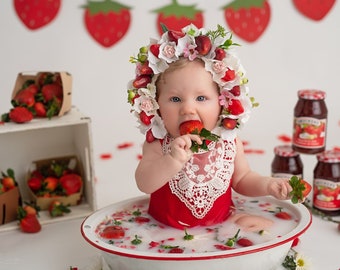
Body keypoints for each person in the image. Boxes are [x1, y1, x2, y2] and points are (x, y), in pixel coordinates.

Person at [127, 24, 292, 231]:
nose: (188, 109)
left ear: (222, 103)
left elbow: (242, 179)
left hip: (221, 225)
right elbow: (145, 183)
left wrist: (267, 185)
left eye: (201, 98)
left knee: (264, 228)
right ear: (156, 104)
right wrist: (172, 160)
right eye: (175, 99)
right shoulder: (159, 144)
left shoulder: (229, 142)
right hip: (167, 229)